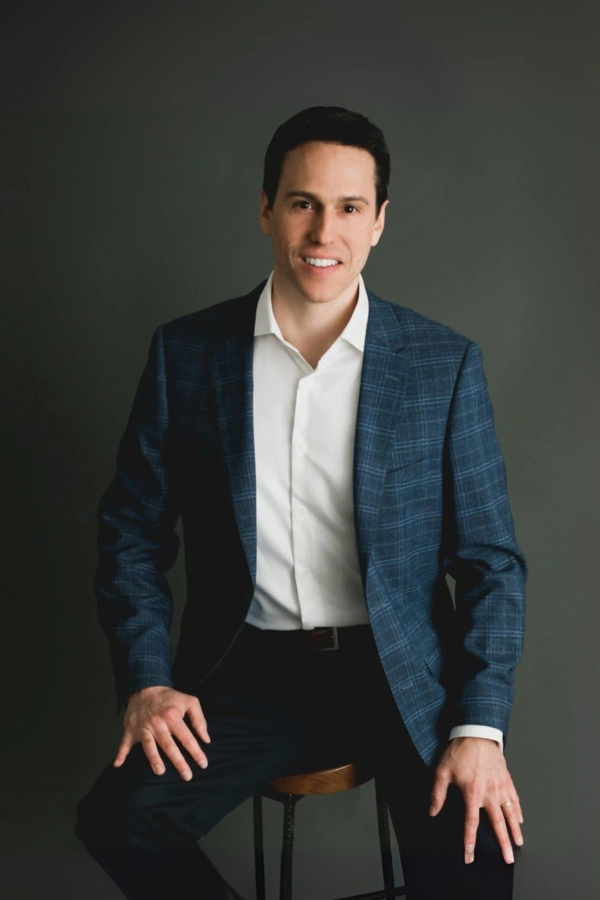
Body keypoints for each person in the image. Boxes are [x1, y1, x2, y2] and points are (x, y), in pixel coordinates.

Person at [74, 106, 527, 900]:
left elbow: (492, 563)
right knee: (119, 820)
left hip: (403, 669)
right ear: (265, 209)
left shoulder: (443, 364)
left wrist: (479, 728)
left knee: (478, 867)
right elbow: (132, 532)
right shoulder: (188, 355)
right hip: (250, 669)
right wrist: (147, 680)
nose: (325, 231)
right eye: (302, 203)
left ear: (380, 222)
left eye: (350, 207)